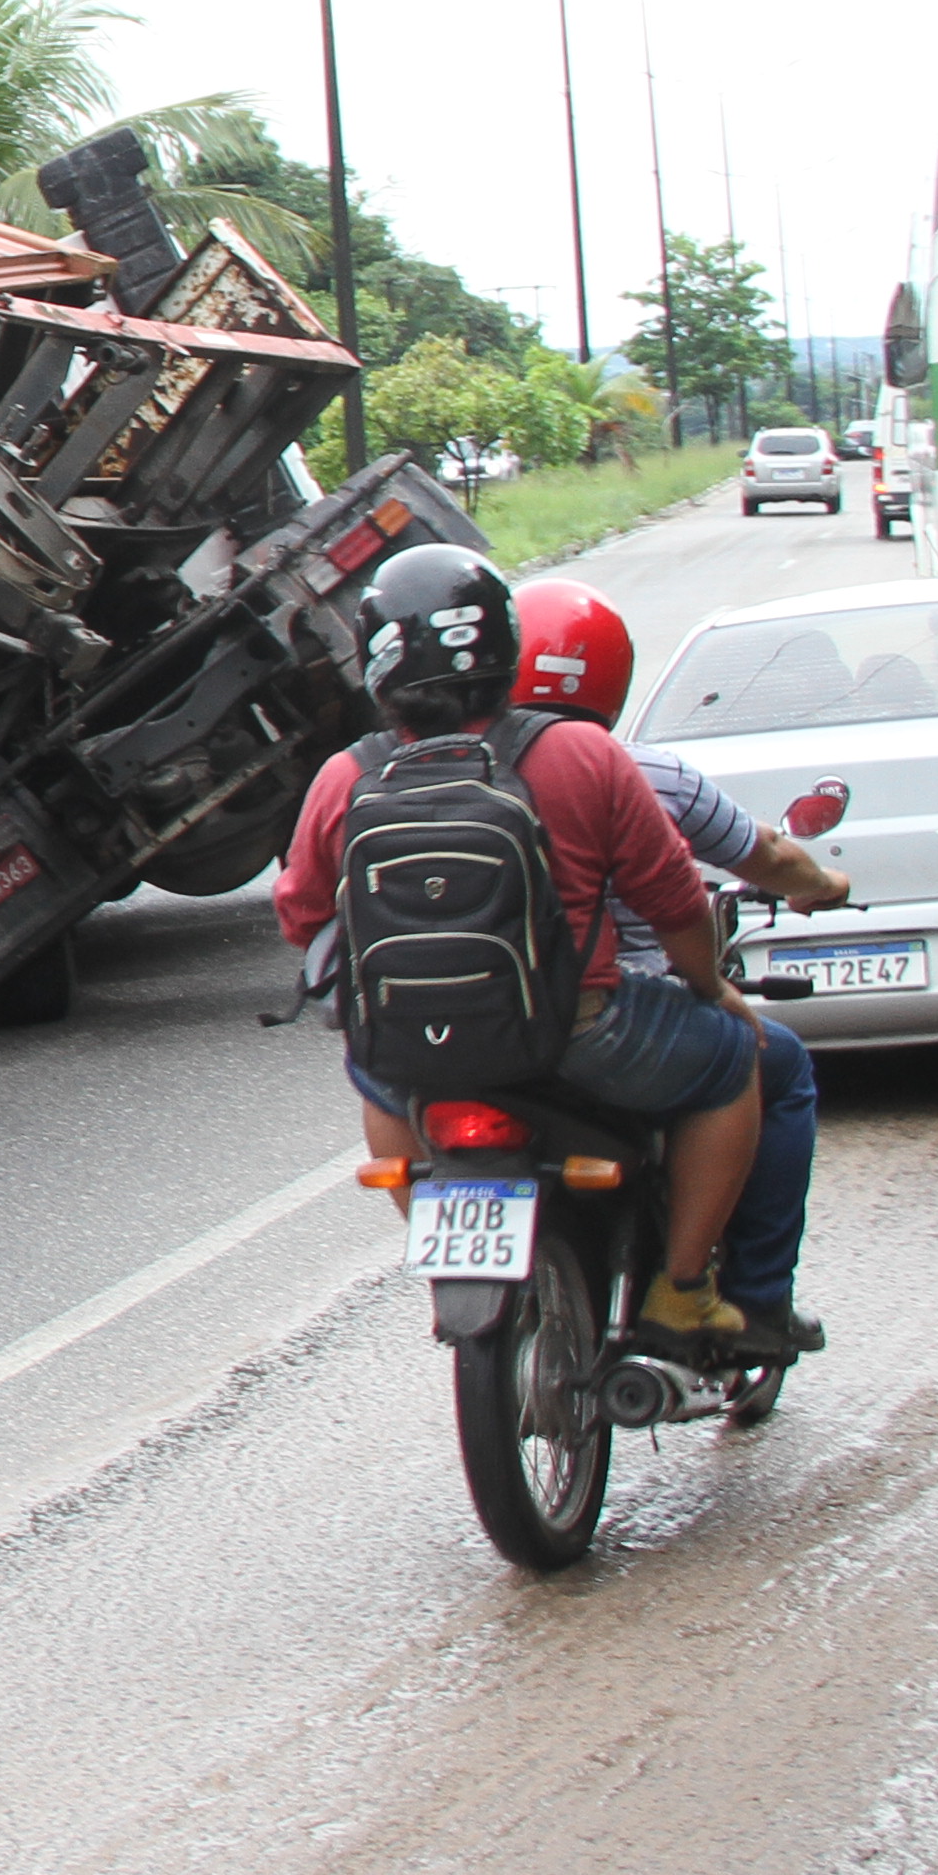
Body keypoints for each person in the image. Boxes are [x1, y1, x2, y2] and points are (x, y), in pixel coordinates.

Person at [273, 543, 778, 1358]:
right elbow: (675, 902)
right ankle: (683, 1291)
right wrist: (710, 987)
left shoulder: (347, 775)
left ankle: (452, 1248)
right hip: (583, 1034)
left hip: (421, 1051)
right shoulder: (580, 753)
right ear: (506, 649)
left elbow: (302, 915)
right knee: (733, 1063)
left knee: (372, 1064)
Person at [512, 577, 846, 1357]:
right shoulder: (634, 771)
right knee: (771, 1063)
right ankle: (732, 1295)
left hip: (455, 1024)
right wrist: (723, 978)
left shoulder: (420, 767)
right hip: (612, 1019)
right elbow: (725, 875)